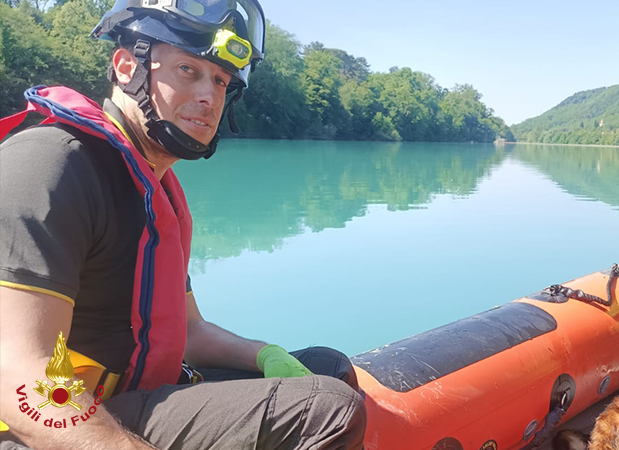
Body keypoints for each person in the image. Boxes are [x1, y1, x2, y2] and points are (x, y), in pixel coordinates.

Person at [0, 0, 365, 449]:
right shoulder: (50, 165)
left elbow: (188, 331)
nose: (209, 97)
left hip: (132, 395)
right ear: (125, 65)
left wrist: (265, 353)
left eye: (220, 80)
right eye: (188, 70)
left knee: (326, 368)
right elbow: (17, 376)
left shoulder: (156, 190)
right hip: (36, 424)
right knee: (323, 411)